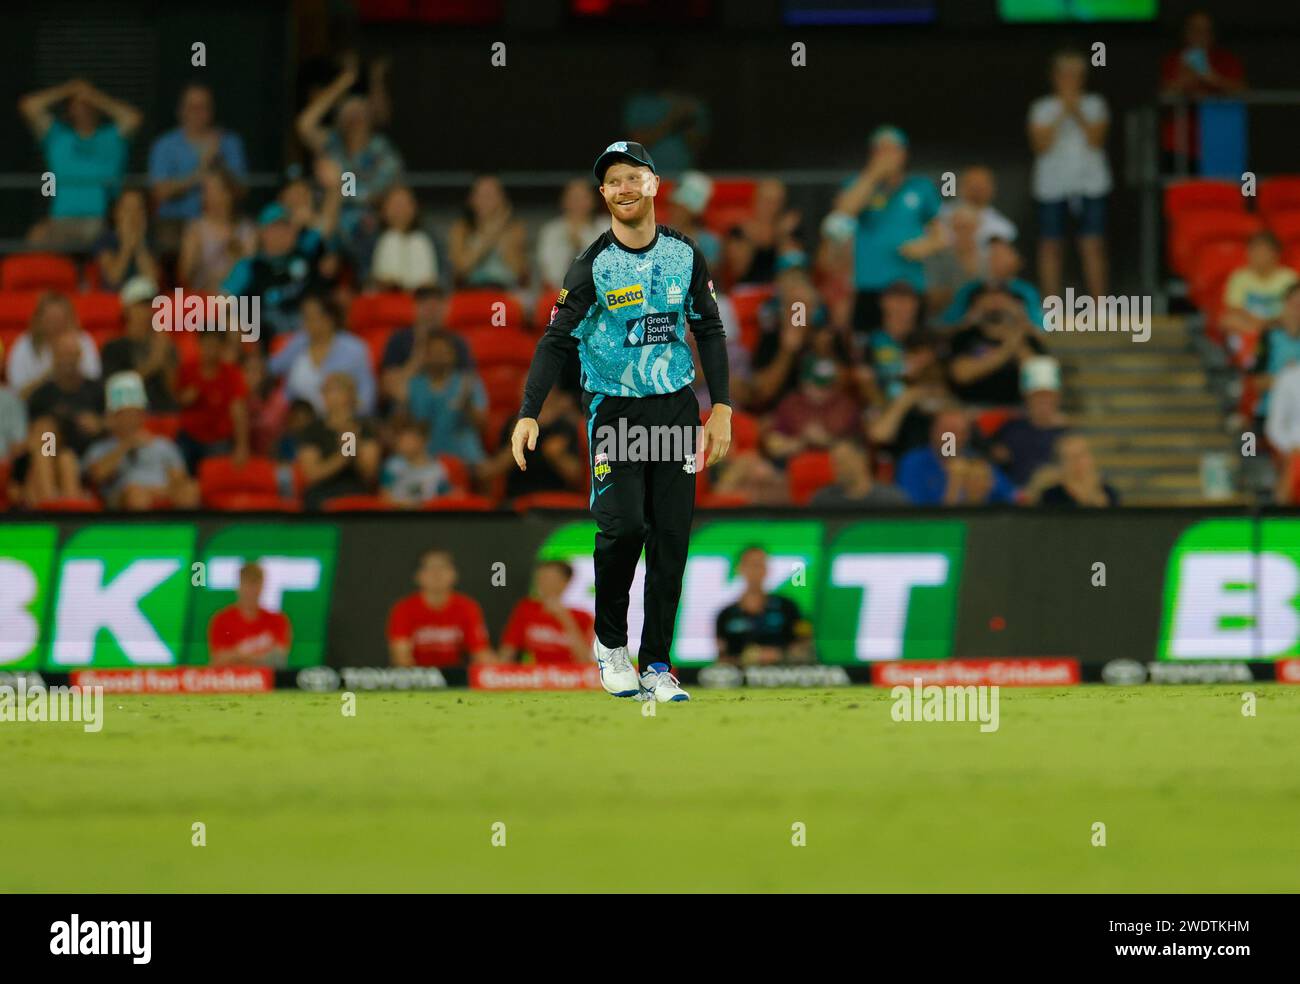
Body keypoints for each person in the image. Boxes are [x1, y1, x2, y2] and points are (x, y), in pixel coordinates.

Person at [511, 140, 733, 702]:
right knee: (625, 528)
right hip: (616, 412)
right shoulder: (592, 267)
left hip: (678, 410)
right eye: (613, 182)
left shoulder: (685, 253)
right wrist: (528, 413)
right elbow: (556, 339)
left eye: (634, 177)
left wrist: (722, 409)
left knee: (672, 539)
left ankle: (658, 664)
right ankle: (612, 646)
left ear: (654, 185)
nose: (624, 188)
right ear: (603, 195)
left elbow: (708, 328)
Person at [829, 125, 946, 333]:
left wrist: (926, 244)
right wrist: (874, 175)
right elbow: (843, 212)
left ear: (904, 154)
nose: (887, 156)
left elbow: (942, 234)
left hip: (909, 285)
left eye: (892, 150)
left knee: (912, 346)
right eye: (880, 150)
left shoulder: (921, 187)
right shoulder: (857, 184)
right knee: (867, 346)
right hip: (869, 284)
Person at [296, 64, 404, 271]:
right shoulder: (333, 144)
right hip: (331, 219)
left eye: (359, 114)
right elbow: (304, 124)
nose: (354, 120)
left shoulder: (381, 150)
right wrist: (341, 85)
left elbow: (381, 193)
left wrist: (342, 189)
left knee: (366, 230)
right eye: (348, 114)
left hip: (368, 223)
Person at [220, 166, 342, 343]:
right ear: (262, 233)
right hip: (267, 343)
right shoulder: (249, 265)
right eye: (275, 227)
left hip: (310, 339)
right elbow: (222, 302)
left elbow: (326, 228)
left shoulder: (306, 249)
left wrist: (335, 189)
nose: (282, 232)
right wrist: (237, 326)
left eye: (286, 226)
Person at [18, 78, 141, 249]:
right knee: (36, 236)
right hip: (60, 221)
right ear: (70, 109)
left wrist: (94, 96)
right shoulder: (58, 137)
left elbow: (133, 118)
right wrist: (68, 89)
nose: (84, 108)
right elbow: (29, 106)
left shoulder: (111, 139)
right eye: (78, 104)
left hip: (96, 221)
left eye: (88, 104)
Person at [1028, 50, 1112, 300]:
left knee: (1093, 244)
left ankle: (1100, 307)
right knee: (1050, 245)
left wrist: (1076, 110)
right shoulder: (1041, 107)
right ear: (1054, 77)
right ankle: (1051, 309)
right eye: (1065, 75)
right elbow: (1040, 145)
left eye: (1075, 75)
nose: (1070, 80)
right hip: (1052, 185)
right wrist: (1063, 111)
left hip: (1091, 183)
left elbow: (1096, 140)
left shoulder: (1095, 104)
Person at [148, 82, 248, 247]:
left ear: (212, 110)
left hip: (222, 222)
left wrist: (219, 163)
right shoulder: (165, 145)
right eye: (192, 107)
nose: (198, 113)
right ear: (181, 110)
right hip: (176, 223)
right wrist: (200, 171)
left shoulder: (230, 142)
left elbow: (241, 190)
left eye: (203, 107)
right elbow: (160, 192)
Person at [83, 371, 200, 511]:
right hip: (123, 498)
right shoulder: (100, 448)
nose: (132, 419)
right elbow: (97, 476)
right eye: (125, 415)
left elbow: (179, 479)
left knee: (190, 490)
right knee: (136, 495)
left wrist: (163, 491)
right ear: (112, 419)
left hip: (162, 491)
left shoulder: (162, 445)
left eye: (136, 414)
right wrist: (126, 445)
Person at [1159, 11, 1247, 170]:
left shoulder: (1226, 60)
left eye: (1205, 30)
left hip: (1219, 142)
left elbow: (1243, 92)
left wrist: (1211, 77)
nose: (1200, 35)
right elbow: (1164, 95)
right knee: (1181, 191)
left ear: (1213, 35)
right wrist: (1186, 77)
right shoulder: (1173, 60)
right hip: (1180, 145)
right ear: (1185, 33)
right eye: (1195, 30)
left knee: (1219, 193)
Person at [269, 292, 376, 417]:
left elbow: (367, 396)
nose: (306, 323)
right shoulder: (297, 342)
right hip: (296, 420)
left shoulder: (355, 349)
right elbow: (270, 368)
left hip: (340, 422)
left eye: (312, 317)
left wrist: (350, 420)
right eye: (305, 317)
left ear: (329, 318)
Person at [386, 549, 494, 668]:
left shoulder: (468, 607)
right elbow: (401, 656)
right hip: (417, 677)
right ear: (418, 576)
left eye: (443, 567)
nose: (437, 573)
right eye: (429, 568)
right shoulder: (404, 608)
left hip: (455, 677)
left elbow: (481, 652)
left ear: (454, 574)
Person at [946, 286, 1047, 406]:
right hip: (970, 408)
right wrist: (1007, 349)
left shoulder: (1027, 339)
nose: (996, 306)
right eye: (989, 300)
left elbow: (1040, 379)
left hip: (1019, 411)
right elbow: (961, 374)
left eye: (1002, 301)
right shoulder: (965, 336)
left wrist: (1017, 334)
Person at [294, 372, 381, 511]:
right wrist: (345, 454)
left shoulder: (365, 428)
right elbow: (312, 474)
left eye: (337, 390)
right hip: (321, 492)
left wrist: (349, 438)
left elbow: (369, 473)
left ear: (351, 395)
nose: (332, 397)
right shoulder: (313, 430)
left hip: (355, 489)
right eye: (327, 391)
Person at [714, 546, 813, 665]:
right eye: (751, 565)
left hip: (783, 677)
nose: (756, 571)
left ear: (767, 569)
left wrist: (778, 654)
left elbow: (806, 647)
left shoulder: (788, 607)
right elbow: (722, 658)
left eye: (760, 565)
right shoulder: (726, 615)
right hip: (741, 680)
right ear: (740, 568)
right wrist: (745, 659)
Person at [896, 409, 1015, 506]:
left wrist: (982, 489)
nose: (952, 439)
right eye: (947, 431)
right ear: (933, 431)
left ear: (967, 436)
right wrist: (955, 481)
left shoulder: (977, 462)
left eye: (960, 432)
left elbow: (1012, 497)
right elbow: (914, 513)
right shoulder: (913, 462)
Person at [378, 285, 471, 408]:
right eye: (426, 305)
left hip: (447, 408)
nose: (432, 311)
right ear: (415, 307)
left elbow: (468, 383)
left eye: (437, 305)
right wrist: (419, 355)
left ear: (447, 308)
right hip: (408, 410)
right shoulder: (399, 340)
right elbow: (389, 390)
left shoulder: (457, 342)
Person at [175, 331, 251, 473]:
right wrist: (185, 398)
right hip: (188, 436)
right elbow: (176, 401)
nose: (210, 350)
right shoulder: (187, 369)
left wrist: (241, 446)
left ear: (222, 348)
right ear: (199, 345)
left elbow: (238, 411)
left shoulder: (232, 374)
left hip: (218, 440)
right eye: (206, 345)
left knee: (215, 475)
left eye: (214, 346)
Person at [407, 334, 487, 464]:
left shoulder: (469, 382)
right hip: (424, 457)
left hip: (465, 457)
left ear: (453, 355)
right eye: (434, 351)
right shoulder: (414, 385)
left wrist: (468, 406)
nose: (439, 356)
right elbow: (405, 426)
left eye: (443, 351)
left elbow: (482, 424)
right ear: (425, 356)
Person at [988, 357, 1068, 488]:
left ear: (1057, 398)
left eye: (1048, 395)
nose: (1043, 401)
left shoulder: (1066, 434)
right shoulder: (1010, 429)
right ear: (1026, 398)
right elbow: (994, 467)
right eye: (1037, 396)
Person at [6, 292, 101, 401]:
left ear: (70, 319)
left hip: (79, 404)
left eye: (60, 319)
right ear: (38, 320)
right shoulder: (23, 345)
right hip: (36, 409)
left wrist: (71, 368)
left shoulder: (83, 341)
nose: (55, 325)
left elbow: (94, 385)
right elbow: (19, 395)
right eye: (50, 319)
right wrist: (53, 371)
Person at [26, 331, 104, 462]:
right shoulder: (41, 395)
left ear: (80, 356)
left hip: (90, 457)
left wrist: (99, 424)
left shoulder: (97, 389)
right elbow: (34, 435)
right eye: (62, 355)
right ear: (54, 357)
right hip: (50, 458)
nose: (67, 360)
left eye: (71, 354)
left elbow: (117, 423)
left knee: (67, 459)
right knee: (49, 437)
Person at [101, 276, 176, 411]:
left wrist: (166, 360)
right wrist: (153, 363)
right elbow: (117, 391)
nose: (148, 310)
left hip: (163, 412)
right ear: (127, 309)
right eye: (141, 305)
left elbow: (173, 391)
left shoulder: (163, 343)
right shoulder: (113, 348)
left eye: (151, 305)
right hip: (130, 417)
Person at [498, 560, 596, 665]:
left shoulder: (583, 617)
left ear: (565, 582)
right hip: (536, 676)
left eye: (550, 579)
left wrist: (565, 620)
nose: (543, 584)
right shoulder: (526, 609)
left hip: (570, 677)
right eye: (540, 579)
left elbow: (586, 661)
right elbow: (507, 652)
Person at [177, 168, 255, 293]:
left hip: (239, 297)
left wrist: (235, 255)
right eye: (204, 191)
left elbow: (248, 270)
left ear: (228, 194)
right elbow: (184, 275)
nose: (204, 196)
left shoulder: (246, 229)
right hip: (205, 297)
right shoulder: (195, 229)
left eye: (210, 190)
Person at [448, 175, 528, 289]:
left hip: (507, 292)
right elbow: (461, 269)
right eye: (481, 195)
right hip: (472, 291)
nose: (486, 200)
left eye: (491, 195)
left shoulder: (515, 229)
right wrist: (490, 234)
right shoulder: (461, 229)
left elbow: (519, 273)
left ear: (503, 198)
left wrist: (500, 231)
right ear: (471, 199)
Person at [208, 563, 292, 667]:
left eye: (255, 584)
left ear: (262, 586)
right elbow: (218, 659)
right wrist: (259, 658)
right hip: (233, 681)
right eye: (247, 584)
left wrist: (237, 656)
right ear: (239, 586)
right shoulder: (222, 620)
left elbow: (279, 659)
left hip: (266, 681)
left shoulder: (278, 620)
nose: (251, 590)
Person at [1221, 232, 1298, 340]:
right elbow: (1235, 308)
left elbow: (1294, 307)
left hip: (1280, 323)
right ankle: (1258, 342)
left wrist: (1273, 322)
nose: (1257, 255)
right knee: (1228, 320)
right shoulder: (1239, 277)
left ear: (1275, 254)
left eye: (1263, 251)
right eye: (1253, 250)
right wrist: (1259, 323)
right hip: (1250, 323)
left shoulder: (1289, 278)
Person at [724, 179, 801, 286]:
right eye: (767, 201)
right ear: (755, 201)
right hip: (748, 290)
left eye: (777, 202)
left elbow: (794, 269)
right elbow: (738, 270)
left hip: (779, 292)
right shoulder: (740, 230)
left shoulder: (788, 230)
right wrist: (752, 239)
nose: (772, 207)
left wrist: (782, 236)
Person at [536, 178, 609, 289]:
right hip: (560, 292)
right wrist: (570, 246)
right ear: (563, 201)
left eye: (583, 197)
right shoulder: (551, 231)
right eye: (573, 198)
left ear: (593, 201)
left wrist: (583, 241)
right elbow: (550, 274)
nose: (578, 203)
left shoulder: (607, 226)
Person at [369, 184, 439, 290]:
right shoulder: (371, 238)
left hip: (421, 297)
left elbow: (443, 275)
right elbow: (363, 274)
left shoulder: (428, 238)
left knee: (417, 241)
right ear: (383, 209)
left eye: (405, 204)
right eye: (395, 204)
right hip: (384, 296)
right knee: (391, 239)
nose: (400, 210)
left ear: (415, 208)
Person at [92, 187, 161, 291]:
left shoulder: (152, 240)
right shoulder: (104, 241)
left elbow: (153, 281)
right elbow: (113, 278)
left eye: (139, 209)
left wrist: (139, 245)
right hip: (114, 300)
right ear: (116, 212)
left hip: (144, 299)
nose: (133, 215)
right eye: (128, 209)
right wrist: (127, 245)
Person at [1251, 284, 1300, 428]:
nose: (1297, 311)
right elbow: (1258, 381)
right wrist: (1287, 380)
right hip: (1270, 412)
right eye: (1294, 304)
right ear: (1284, 304)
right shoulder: (1269, 335)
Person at [810, 439, 909, 509]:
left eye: (842, 462)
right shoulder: (823, 501)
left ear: (862, 460)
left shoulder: (891, 501)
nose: (836, 469)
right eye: (834, 463)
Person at [380, 417, 454, 507]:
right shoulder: (393, 466)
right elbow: (384, 498)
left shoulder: (438, 470)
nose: (402, 443)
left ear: (422, 441)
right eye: (401, 440)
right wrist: (410, 504)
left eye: (408, 440)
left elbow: (447, 498)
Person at [1034, 434, 1119, 508]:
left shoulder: (1108, 493)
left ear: (1091, 458)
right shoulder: (1050, 497)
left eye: (1081, 455)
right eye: (1068, 457)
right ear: (1060, 463)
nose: (1076, 461)